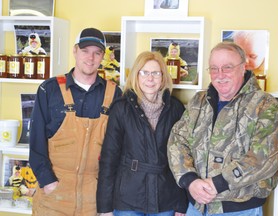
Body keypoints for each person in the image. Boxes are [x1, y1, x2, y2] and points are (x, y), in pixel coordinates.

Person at [167, 42, 278, 216]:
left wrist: (219, 183)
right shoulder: (199, 101)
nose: (219, 75)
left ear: (243, 67)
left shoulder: (265, 105)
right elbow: (177, 140)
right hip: (196, 206)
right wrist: (190, 181)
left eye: (227, 67)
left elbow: (265, 157)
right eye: (214, 69)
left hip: (240, 210)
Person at [29, 27, 122, 216]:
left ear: (103, 56)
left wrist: (107, 199)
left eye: (97, 53)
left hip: (93, 200)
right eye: (85, 51)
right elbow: (36, 141)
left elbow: (118, 149)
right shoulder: (50, 89)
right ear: (74, 51)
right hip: (54, 197)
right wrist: (47, 182)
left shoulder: (114, 94)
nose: (90, 58)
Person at [97, 51, 188, 216]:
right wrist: (105, 207)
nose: (150, 78)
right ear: (136, 76)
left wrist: (181, 203)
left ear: (163, 77)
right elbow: (108, 159)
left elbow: (183, 158)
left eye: (155, 73)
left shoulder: (176, 108)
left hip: (165, 198)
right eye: (144, 72)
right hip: (127, 198)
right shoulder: (121, 108)